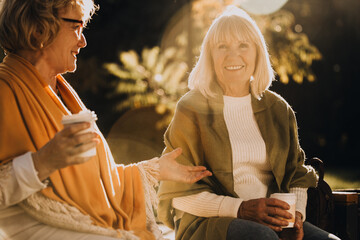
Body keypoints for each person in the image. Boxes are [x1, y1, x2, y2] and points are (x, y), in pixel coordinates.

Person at [0, 1, 212, 240]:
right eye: (76, 26)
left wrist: (155, 170)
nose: (83, 41)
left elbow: (94, 182)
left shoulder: (61, 92)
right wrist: (42, 162)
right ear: (39, 28)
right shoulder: (4, 90)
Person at [157, 6, 340, 240]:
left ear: (257, 53)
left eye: (243, 45)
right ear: (210, 56)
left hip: (273, 222)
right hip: (209, 224)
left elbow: (296, 174)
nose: (233, 55)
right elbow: (178, 193)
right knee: (262, 237)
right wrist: (240, 209)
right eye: (222, 46)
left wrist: (295, 216)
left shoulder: (278, 110)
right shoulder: (191, 108)